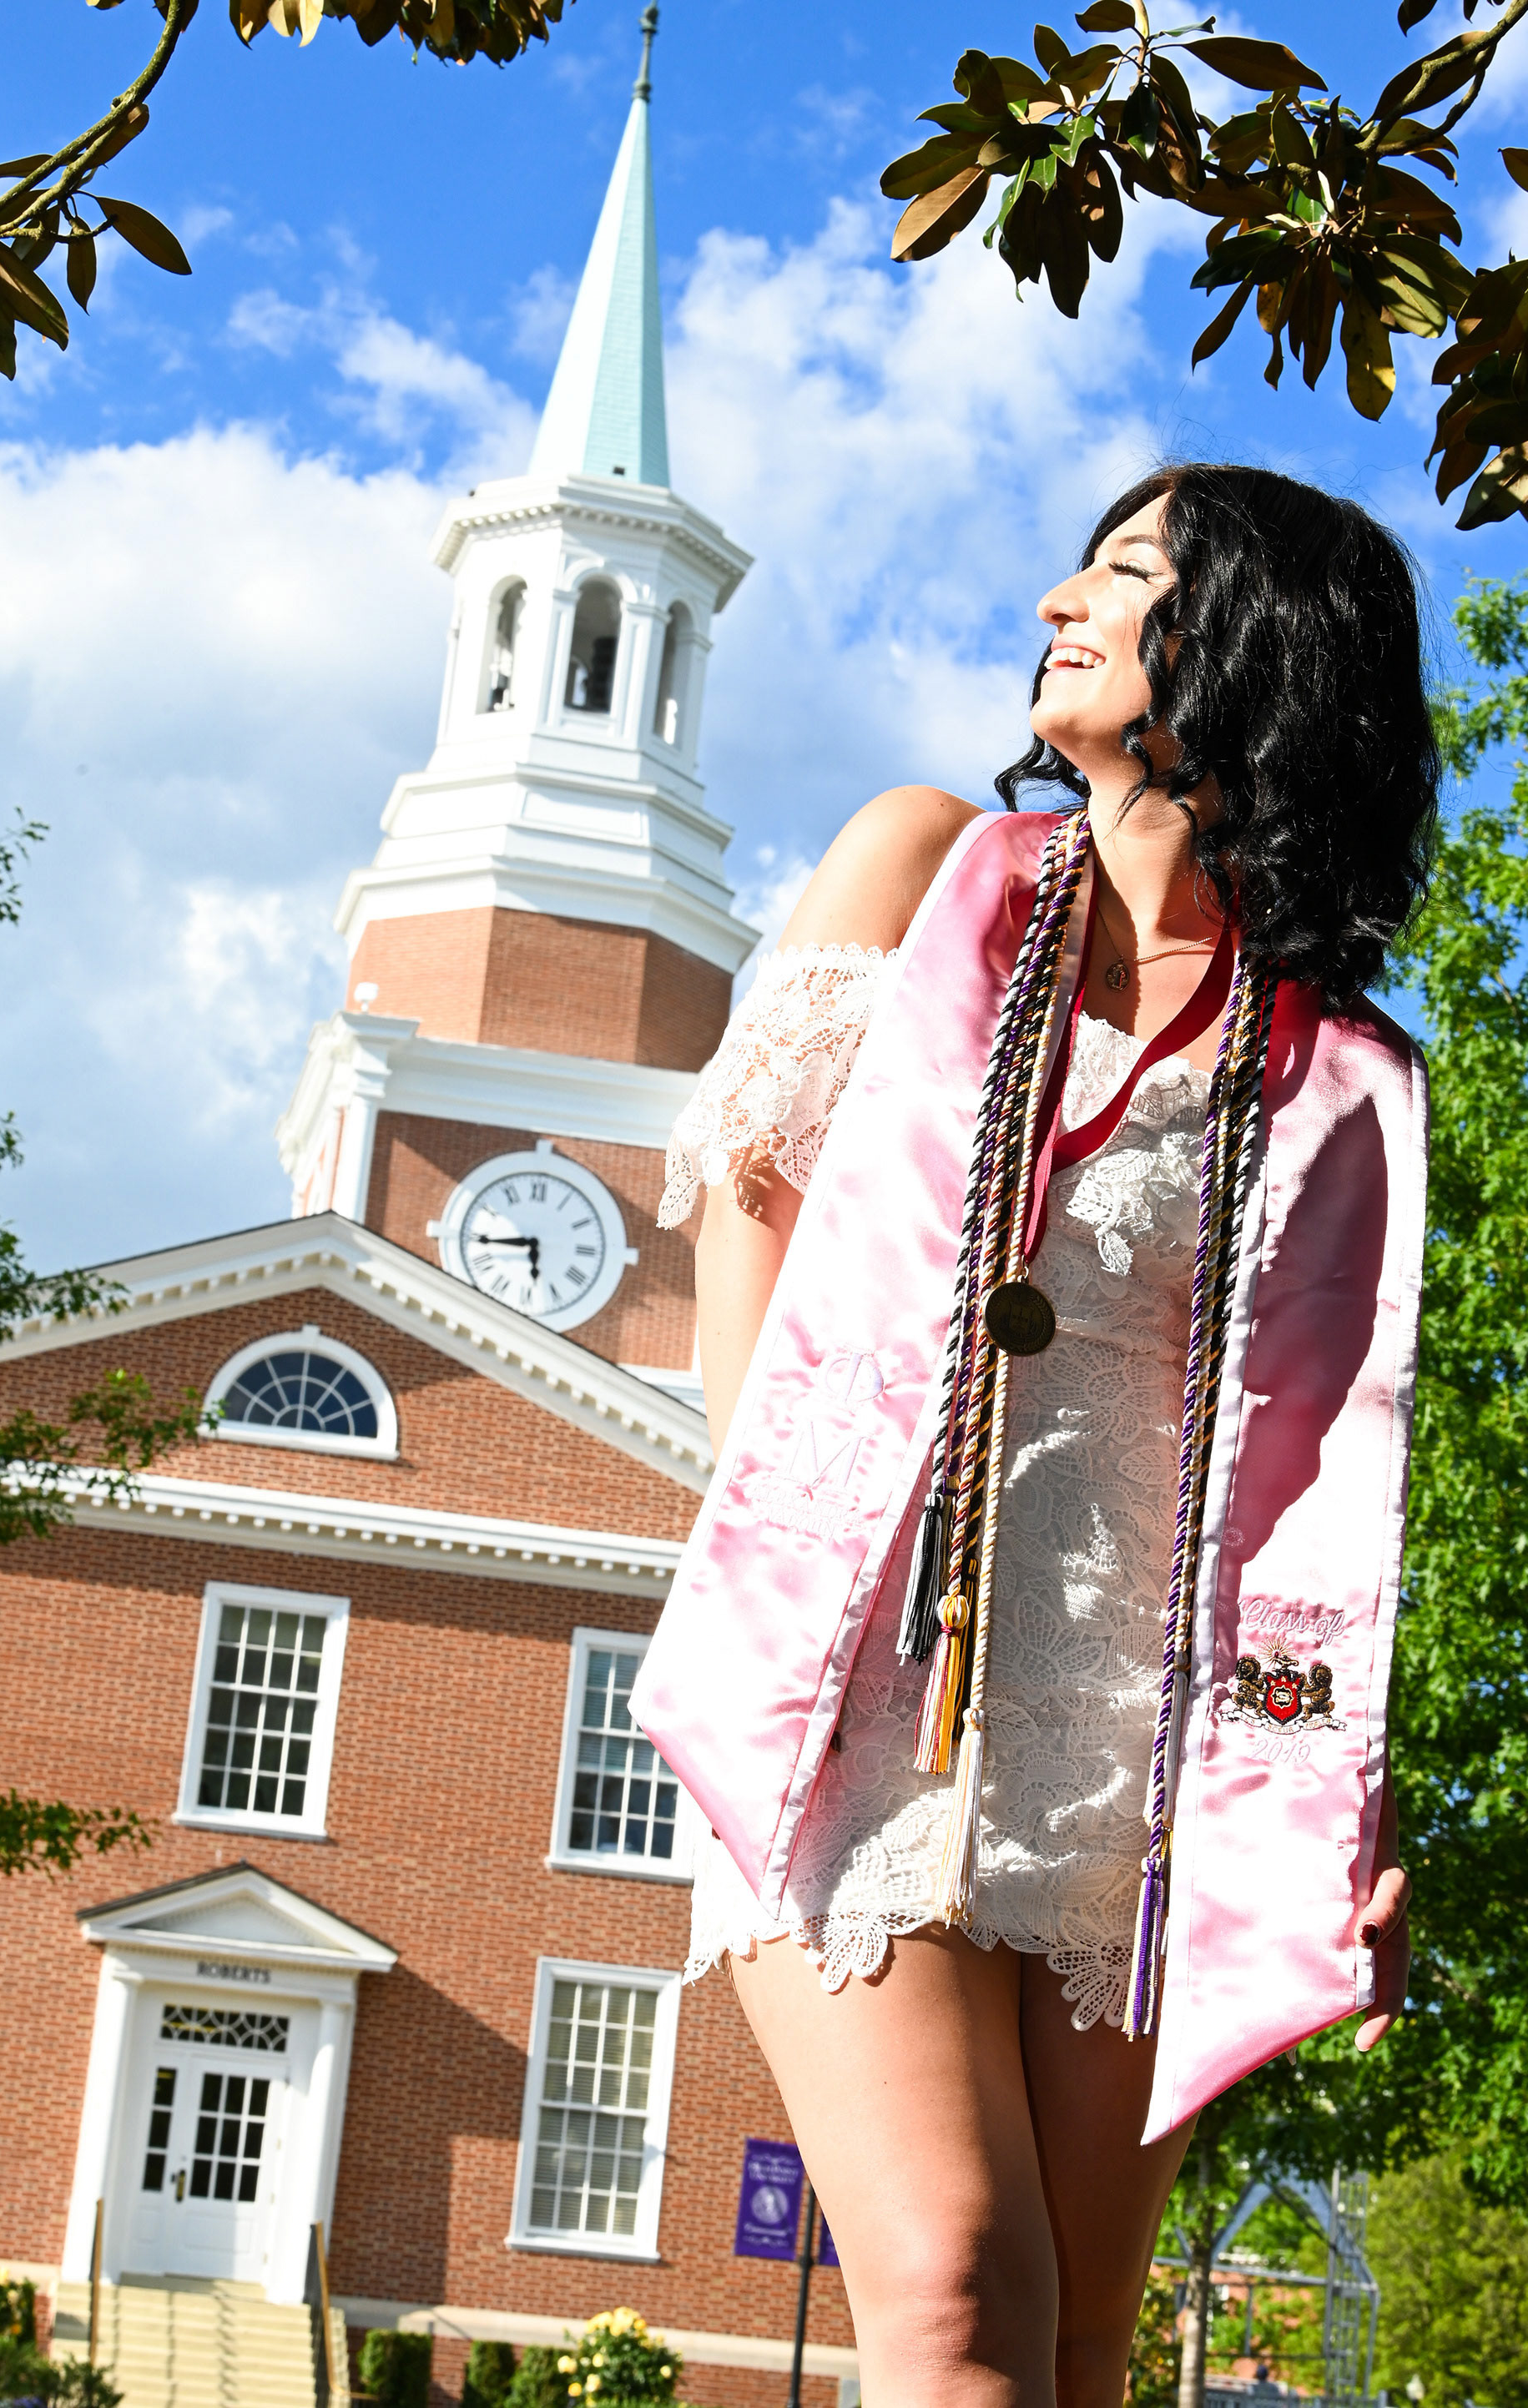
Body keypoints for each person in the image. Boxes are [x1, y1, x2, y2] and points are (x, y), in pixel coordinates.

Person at [638, 464, 1434, 2408]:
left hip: (1135, 1748)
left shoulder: (1333, 1068)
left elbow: (1313, 1479)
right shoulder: (928, 870)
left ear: (1250, 643)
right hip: (859, 1672)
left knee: (1085, 2331)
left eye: (1130, 571)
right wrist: (768, 1570)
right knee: (953, 2284)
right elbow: (749, 1200)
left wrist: (1346, 1798)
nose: (1065, 594)